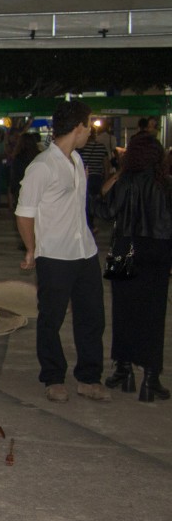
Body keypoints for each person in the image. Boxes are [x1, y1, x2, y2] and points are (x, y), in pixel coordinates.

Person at [16, 99, 110, 404]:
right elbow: (24, 213)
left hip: (84, 251)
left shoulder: (77, 161)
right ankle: (53, 377)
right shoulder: (41, 167)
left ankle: (88, 378)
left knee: (92, 316)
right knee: (51, 318)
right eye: (89, 125)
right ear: (80, 127)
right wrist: (32, 249)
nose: (89, 132)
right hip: (55, 254)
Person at [98, 132, 172, 402]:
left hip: (124, 248)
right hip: (158, 249)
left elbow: (105, 212)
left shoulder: (126, 181)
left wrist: (106, 188)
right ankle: (151, 378)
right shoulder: (166, 184)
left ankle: (123, 370)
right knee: (153, 314)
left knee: (123, 310)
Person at [78, 127, 112, 232]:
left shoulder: (81, 148)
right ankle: (91, 223)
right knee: (94, 200)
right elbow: (106, 164)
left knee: (85, 201)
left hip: (85, 177)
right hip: (97, 177)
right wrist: (106, 178)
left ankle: (88, 224)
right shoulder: (101, 147)